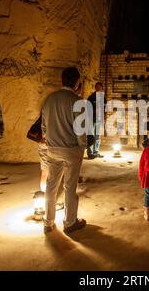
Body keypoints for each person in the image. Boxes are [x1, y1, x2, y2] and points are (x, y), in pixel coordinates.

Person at [41, 67, 87, 234]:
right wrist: (82, 148)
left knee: (51, 186)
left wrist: (50, 141)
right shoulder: (77, 102)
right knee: (69, 187)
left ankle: (48, 222)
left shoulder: (49, 99)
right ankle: (69, 222)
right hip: (71, 150)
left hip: (52, 149)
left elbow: (44, 127)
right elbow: (81, 131)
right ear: (76, 82)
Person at [86, 82, 106, 159]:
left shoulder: (103, 98)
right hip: (91, 119)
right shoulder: (91, 97)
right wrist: (95, 111)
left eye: (99, 87)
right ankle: (90, 153)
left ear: (102, 88)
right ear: (95, 88)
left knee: (97, 136)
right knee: (91, 136)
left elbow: (104, 109)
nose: (98, 89)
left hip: (99, 120)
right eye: (96, 87)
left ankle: (96, 152)